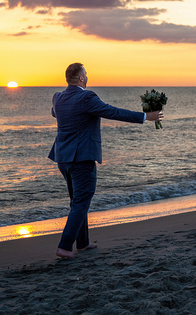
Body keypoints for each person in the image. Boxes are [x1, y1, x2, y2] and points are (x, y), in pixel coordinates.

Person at [48, 63, 163, 258]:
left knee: (77, 201)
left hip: (63, 158)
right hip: (81, 158)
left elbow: (54, 112)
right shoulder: (86, 97)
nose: (87, 76)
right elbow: (113, 112)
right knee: (81, 201)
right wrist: (146, 116)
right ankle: (64, 246)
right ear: (81, 78)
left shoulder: (58, 97)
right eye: (86, 74)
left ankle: (82, 243)